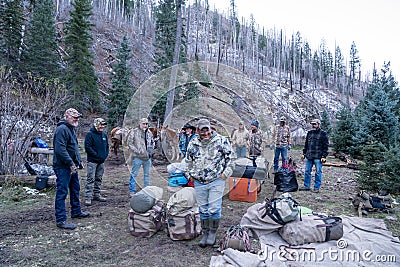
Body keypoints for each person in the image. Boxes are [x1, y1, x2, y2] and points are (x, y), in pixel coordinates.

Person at [185, 118, 233, 247]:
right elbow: (188, 160)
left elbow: (231, 159)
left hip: (216, 180)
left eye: (208, 131)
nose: (206, 134)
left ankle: (212, 233)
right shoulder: (193, 143)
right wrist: (189, 174)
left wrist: (225, 174)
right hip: (199, 182)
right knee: (203, 209)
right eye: (202, 132)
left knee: (214, 209)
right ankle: (205, 232)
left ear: (211, 129)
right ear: (197, 131)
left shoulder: (222, 141)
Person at [53, 108, 90, 230]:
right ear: (66, 116)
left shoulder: (71, 129)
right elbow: (60, 150)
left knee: (75, 189)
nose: (76, 119)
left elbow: (73, 147)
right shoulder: (62, 129)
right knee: (62, 192)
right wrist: (70, 163)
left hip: (71, 166)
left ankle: (76, 211)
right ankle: (61, 220)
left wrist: (78, 162)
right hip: (63, 167)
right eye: (74, 117)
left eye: (77, 117)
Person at [84, 118, 109, 206]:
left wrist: (105, 155)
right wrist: (96, 155)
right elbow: (88, 147)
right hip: (92, 161)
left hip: (101, 161)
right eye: (100, 125)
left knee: (99, 178)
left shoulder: (104, 135)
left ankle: (97, 195)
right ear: (96, 125)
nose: (102, 127)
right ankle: (88, 197)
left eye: (103, 125)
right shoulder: (90, 135)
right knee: (91, 178)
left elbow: (107, 147)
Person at [300, 118, 329, 193]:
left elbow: (326, 146)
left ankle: (316, 187)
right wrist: (304, 153)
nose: (313, 125)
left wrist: (324, 156)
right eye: (312, 124)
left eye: (315, 124)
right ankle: (306, 186)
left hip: (318, 156)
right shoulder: (309, 133)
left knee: (318, 172)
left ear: (318, 124)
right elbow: (306, 144)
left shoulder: (323, 134)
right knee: (307, 171)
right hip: (309, 155)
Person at [127, 118, 154, 197]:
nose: (145, 125)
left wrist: (150, 151)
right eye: (143, 124)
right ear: (140, 124)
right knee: (134, 174)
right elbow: (129, 143)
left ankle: (146, 190)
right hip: (137, 157)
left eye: (146, 124)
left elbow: (152, 142)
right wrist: (137, 151)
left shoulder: (149, 133)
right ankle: (132, 191)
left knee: (147, 174)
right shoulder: (134, 132)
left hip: (147, 158)